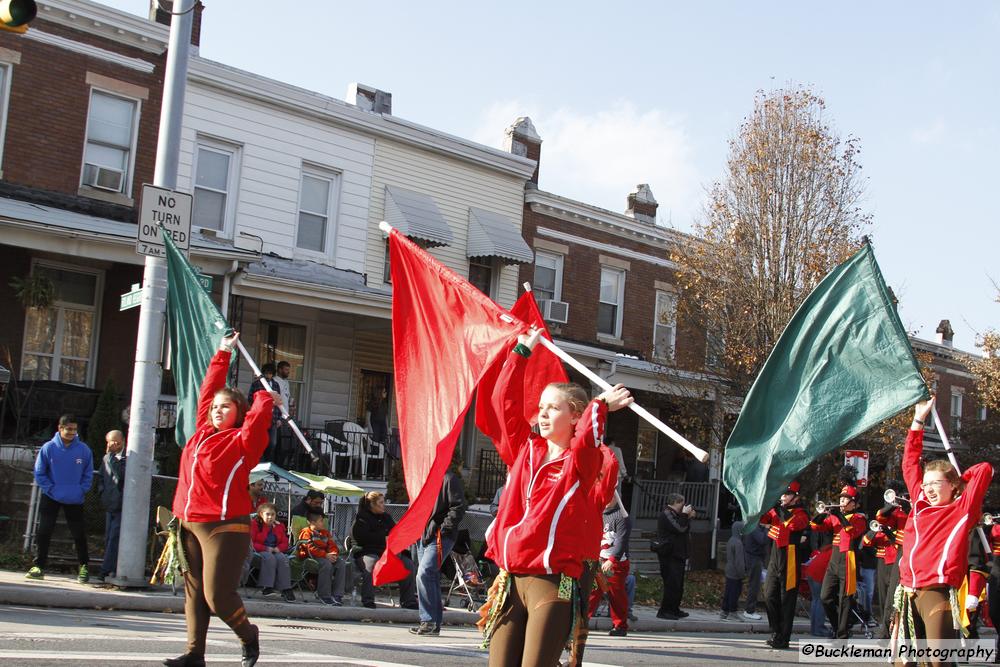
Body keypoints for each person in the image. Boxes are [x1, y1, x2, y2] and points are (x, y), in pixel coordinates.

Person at [479, 329, 632, 667]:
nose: (543, 414)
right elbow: (502, 403)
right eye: (541, 407)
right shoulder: (524, 448)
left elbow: (587, 439)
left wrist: (601, 405)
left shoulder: (581, 463)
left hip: (553, 584)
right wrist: (521, 352)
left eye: (554, 408)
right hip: (509, 579)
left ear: (575, 416)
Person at [163, 331, 278, 667]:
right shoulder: (199, 433)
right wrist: (224, 352)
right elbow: (206, 391)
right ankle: (194, 654)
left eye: (225, 406)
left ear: (238, 412)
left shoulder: (244, 442)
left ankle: (248, 635)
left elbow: (258, 418)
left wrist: (266, 398)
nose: (215, 410)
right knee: (194, 595)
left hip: (225, 526)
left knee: (218, 597)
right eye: (214, 407)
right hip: (187, 522)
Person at [892, 398, 993, 662]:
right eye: (926, 484)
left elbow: (984, 470)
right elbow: (909, 464)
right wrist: (918, 421)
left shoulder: (961, 510)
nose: (929, 489)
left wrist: (961, 481)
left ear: (952, 485)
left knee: (938, 661)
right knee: (906, 661)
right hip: (907, 591)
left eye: (937, 483)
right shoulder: (919, 503)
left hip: (936, 592)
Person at [26, 414, 94, 584]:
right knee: (44, 531)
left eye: (74, 429)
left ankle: (84, 566)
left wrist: (81, 490)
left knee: (78, 533)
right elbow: (40, 472)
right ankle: (39, 566)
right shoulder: (48, 448)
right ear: (60, 428)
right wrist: (51, 488)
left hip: (75, 498)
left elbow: (88, 474)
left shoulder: (84, 450)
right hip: (51, 496)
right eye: (68, 429)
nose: (72, 432)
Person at [411, 454, 467, 636]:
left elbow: (458, 506)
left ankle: (428, 620)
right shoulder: (424, 481)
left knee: (424, 573)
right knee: (430, 577)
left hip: (439, 536)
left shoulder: (449, 478)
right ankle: (433, 623)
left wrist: (443, 529)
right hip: (424, 535)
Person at [812, 484, 866, 639]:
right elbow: (815, 527)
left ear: (854, 504)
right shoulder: (835, 517)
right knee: (825, 597)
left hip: (848, 558)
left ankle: (842, 634)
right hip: (834, 559)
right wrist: (823, 514)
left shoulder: (859, 518)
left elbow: (852, 532)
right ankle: (837, 625)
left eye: (846, 499)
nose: (842, 501)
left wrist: (840, 516)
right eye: (841, 498)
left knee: (845, 598)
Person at [760, 479, 809, 649]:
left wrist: (778, 508)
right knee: (768, 593)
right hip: (775, 554)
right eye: (782, 493)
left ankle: (783, 637)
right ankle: (775, 630)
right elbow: (763, 518)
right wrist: (766, 503)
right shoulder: (778, 510)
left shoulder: (801, 512)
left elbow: (793, 524)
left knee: (787, 598)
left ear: (795, 497)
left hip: (791, 554)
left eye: (786, 494)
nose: (783, 496)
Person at [350, 490, 417, 610]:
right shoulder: (361, 519)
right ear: (372, 504)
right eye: (381, 502)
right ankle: (368, 599)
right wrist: (383, 537)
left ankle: (408, 601)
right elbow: (361, 538)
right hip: (367, 551)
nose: (383, 505)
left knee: (408, 565)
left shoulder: (386, 517)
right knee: (371, 565)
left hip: (387, 553)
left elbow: (394, 532)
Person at [588, 497, 632, 637]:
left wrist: (612, 559)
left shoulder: (621, 517)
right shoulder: (598, 513)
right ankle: (582, 621)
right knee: (592, 592)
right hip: (598, 560)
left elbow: (621, 541)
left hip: (614, 563)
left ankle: (620, 625)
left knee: (615, 595)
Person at [872, 480, 909, 639]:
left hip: (919, 550)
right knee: (892, 591)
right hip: (902, 551)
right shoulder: (899, 511)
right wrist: (895, 505)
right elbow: (881, 517)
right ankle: (886, 628)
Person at [656, 493, 695, 620]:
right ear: (676, 502)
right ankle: (665, 610)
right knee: (671, 584)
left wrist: (688, 517)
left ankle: (674, 609)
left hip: (679, 554)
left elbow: (684, 527)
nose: (684, 506)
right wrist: (685, 515)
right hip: (669, 554)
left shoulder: (677, 515)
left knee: (678, 584)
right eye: (682, 503)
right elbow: (679, 528)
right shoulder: (666, 513)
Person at [296, 508, 346, 606]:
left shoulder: (325, 533)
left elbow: (333, 545)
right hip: (310, 557)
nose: (323, 523)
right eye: (321, 521)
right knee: (327, 564)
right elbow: (309, 548)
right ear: (312, 522)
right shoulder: (306, 532)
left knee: (341, 563)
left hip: (325, 556)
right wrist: (325, 555)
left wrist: (333, 554)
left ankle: (337, 595)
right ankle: (324, 595)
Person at [96, 429, 126, 581]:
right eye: (110, 441)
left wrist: (110, 456)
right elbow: (102, 476)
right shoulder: (107, 458)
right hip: (110, 503)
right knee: (109, 537)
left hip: (122, 505)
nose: (113, 444)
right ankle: (111, 568)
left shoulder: (126, 458)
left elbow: (120, 475)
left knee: (115, 537)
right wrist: (102, 493)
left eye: (116, 441)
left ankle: (105, 570)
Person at [250, 503, 294, 602]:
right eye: (268, 514)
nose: (270, 517)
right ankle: (267, 587)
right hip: (259, 551)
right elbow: (251, 542)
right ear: (261, 514)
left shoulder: (279, 526)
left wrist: (279, 548)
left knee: (283, 559)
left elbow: (285, 542)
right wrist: (265, 548)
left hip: (275, 551)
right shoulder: (255, 524)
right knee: (269, 557)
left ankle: (286, 588)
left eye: (273, 514)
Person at [249, 363, 281, 463]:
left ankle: (268, 463)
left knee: (272, 443)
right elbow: (250, 399)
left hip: (273, 418)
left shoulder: (276, 385)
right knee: (259, 442)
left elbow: (279, 402)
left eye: (270, 374)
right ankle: (259, 462)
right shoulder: (256, 384)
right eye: (267, 373)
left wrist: (279, 418)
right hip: (260, 418)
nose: (268, 376)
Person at [741, 523, 767, 620]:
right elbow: (762, 540)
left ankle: (750, 609)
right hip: (753, 558)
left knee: (755, 585)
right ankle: (749, 610)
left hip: (755, 557)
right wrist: (766, 528)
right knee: (754, 585)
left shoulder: (754, 526)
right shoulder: (754, 527)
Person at [721, 520, 746, 620]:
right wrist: (742, 573)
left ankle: (724, 611)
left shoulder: (731, 539)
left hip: (729, 569)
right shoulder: (738, 543)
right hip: (736, 572)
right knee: (734, 592)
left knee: (728, 591)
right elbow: (739, 561)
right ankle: (733, 612)